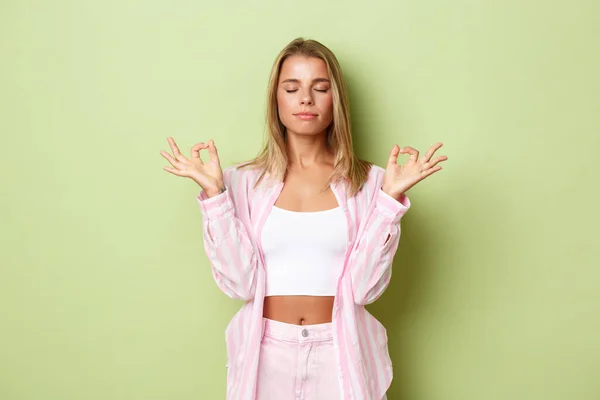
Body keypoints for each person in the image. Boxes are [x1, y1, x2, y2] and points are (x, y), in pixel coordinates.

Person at [160, 37, 447, 400]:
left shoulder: (373, 183)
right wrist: (216, 198)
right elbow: (239, 285)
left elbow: (364, 288)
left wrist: (389, 201)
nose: (305, 99)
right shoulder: (240, 182)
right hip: (267, 353)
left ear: (335, 100)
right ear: (276, 99)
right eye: (292, 87)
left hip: (339, 353)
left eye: (320, 88)